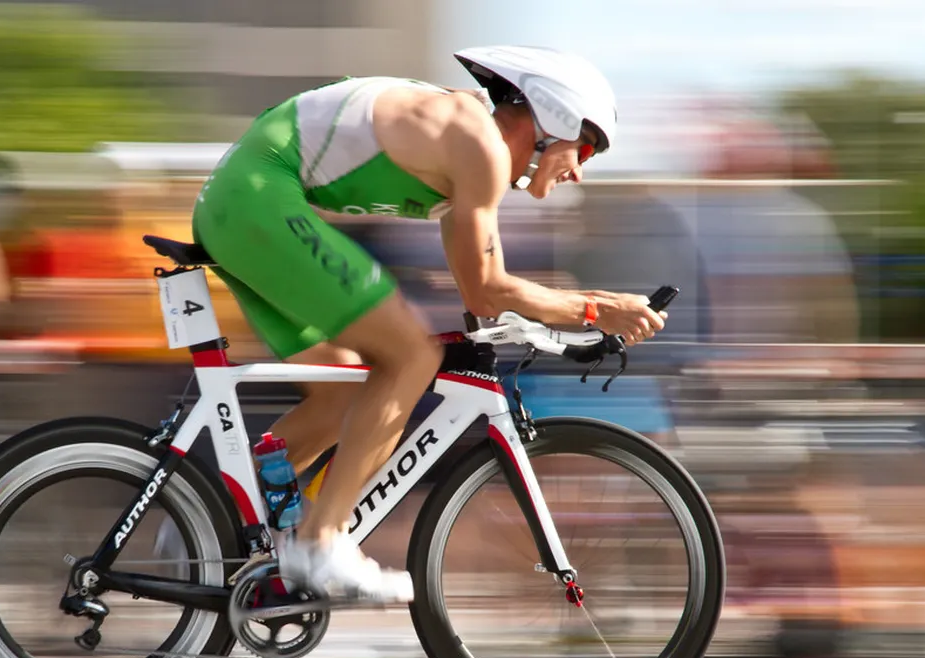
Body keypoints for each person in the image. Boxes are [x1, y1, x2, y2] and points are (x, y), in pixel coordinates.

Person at [191, 45, 668, 603]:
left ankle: (205, 521)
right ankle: (320, 543)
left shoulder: (466, 147)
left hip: (242, 201)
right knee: (411, 356)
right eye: (585, 147)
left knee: (341, 391)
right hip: (256, 200)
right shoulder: (480, 146)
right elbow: (487, 287)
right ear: (555, 115)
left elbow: (481, 291)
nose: (580, 171)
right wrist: (595, 308)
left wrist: (557, 317)